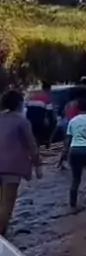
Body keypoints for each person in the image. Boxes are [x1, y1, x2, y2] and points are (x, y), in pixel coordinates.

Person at [0, 89, 42, 236]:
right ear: (19, 103)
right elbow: (32, 145)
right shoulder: (22, 121)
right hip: (12, 168)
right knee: (7, 204)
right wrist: (38, 165)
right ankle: (2, 236)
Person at [59, 97, 86, 210]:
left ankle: (73, 205)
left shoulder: (73, 121)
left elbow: (68, 140)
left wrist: (64, 155)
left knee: (76, 178)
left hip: (75, 150)